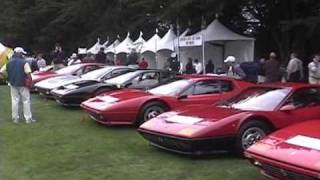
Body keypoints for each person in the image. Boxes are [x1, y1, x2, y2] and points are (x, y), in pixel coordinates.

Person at [0, 47, 35, 123]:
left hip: (12, 83)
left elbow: (1, 72)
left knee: (14, 101)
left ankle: (15, 118)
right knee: (26, 100)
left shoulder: (9, 62)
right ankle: (28, 119)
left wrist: (6, 78)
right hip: (23, 84)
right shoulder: (24, 62)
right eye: (22, 53)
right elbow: (28, 73)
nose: (23, 55)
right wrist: (30, 83)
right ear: (20, 53)